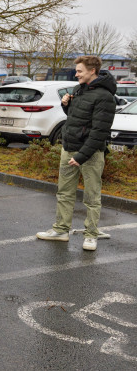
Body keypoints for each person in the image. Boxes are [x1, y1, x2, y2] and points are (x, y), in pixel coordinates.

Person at [36, 56, 116, 251]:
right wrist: (66, 105)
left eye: (80, 71)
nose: (76, 73)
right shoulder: (78, 90)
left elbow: (99, 133)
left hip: (90, 154)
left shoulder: (105, 97)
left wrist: (81, 157)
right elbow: (76, 118)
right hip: (68, 148)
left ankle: (91, 235)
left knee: (92, 196)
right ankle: (61, 230)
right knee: (64, 193)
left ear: (92, 71)